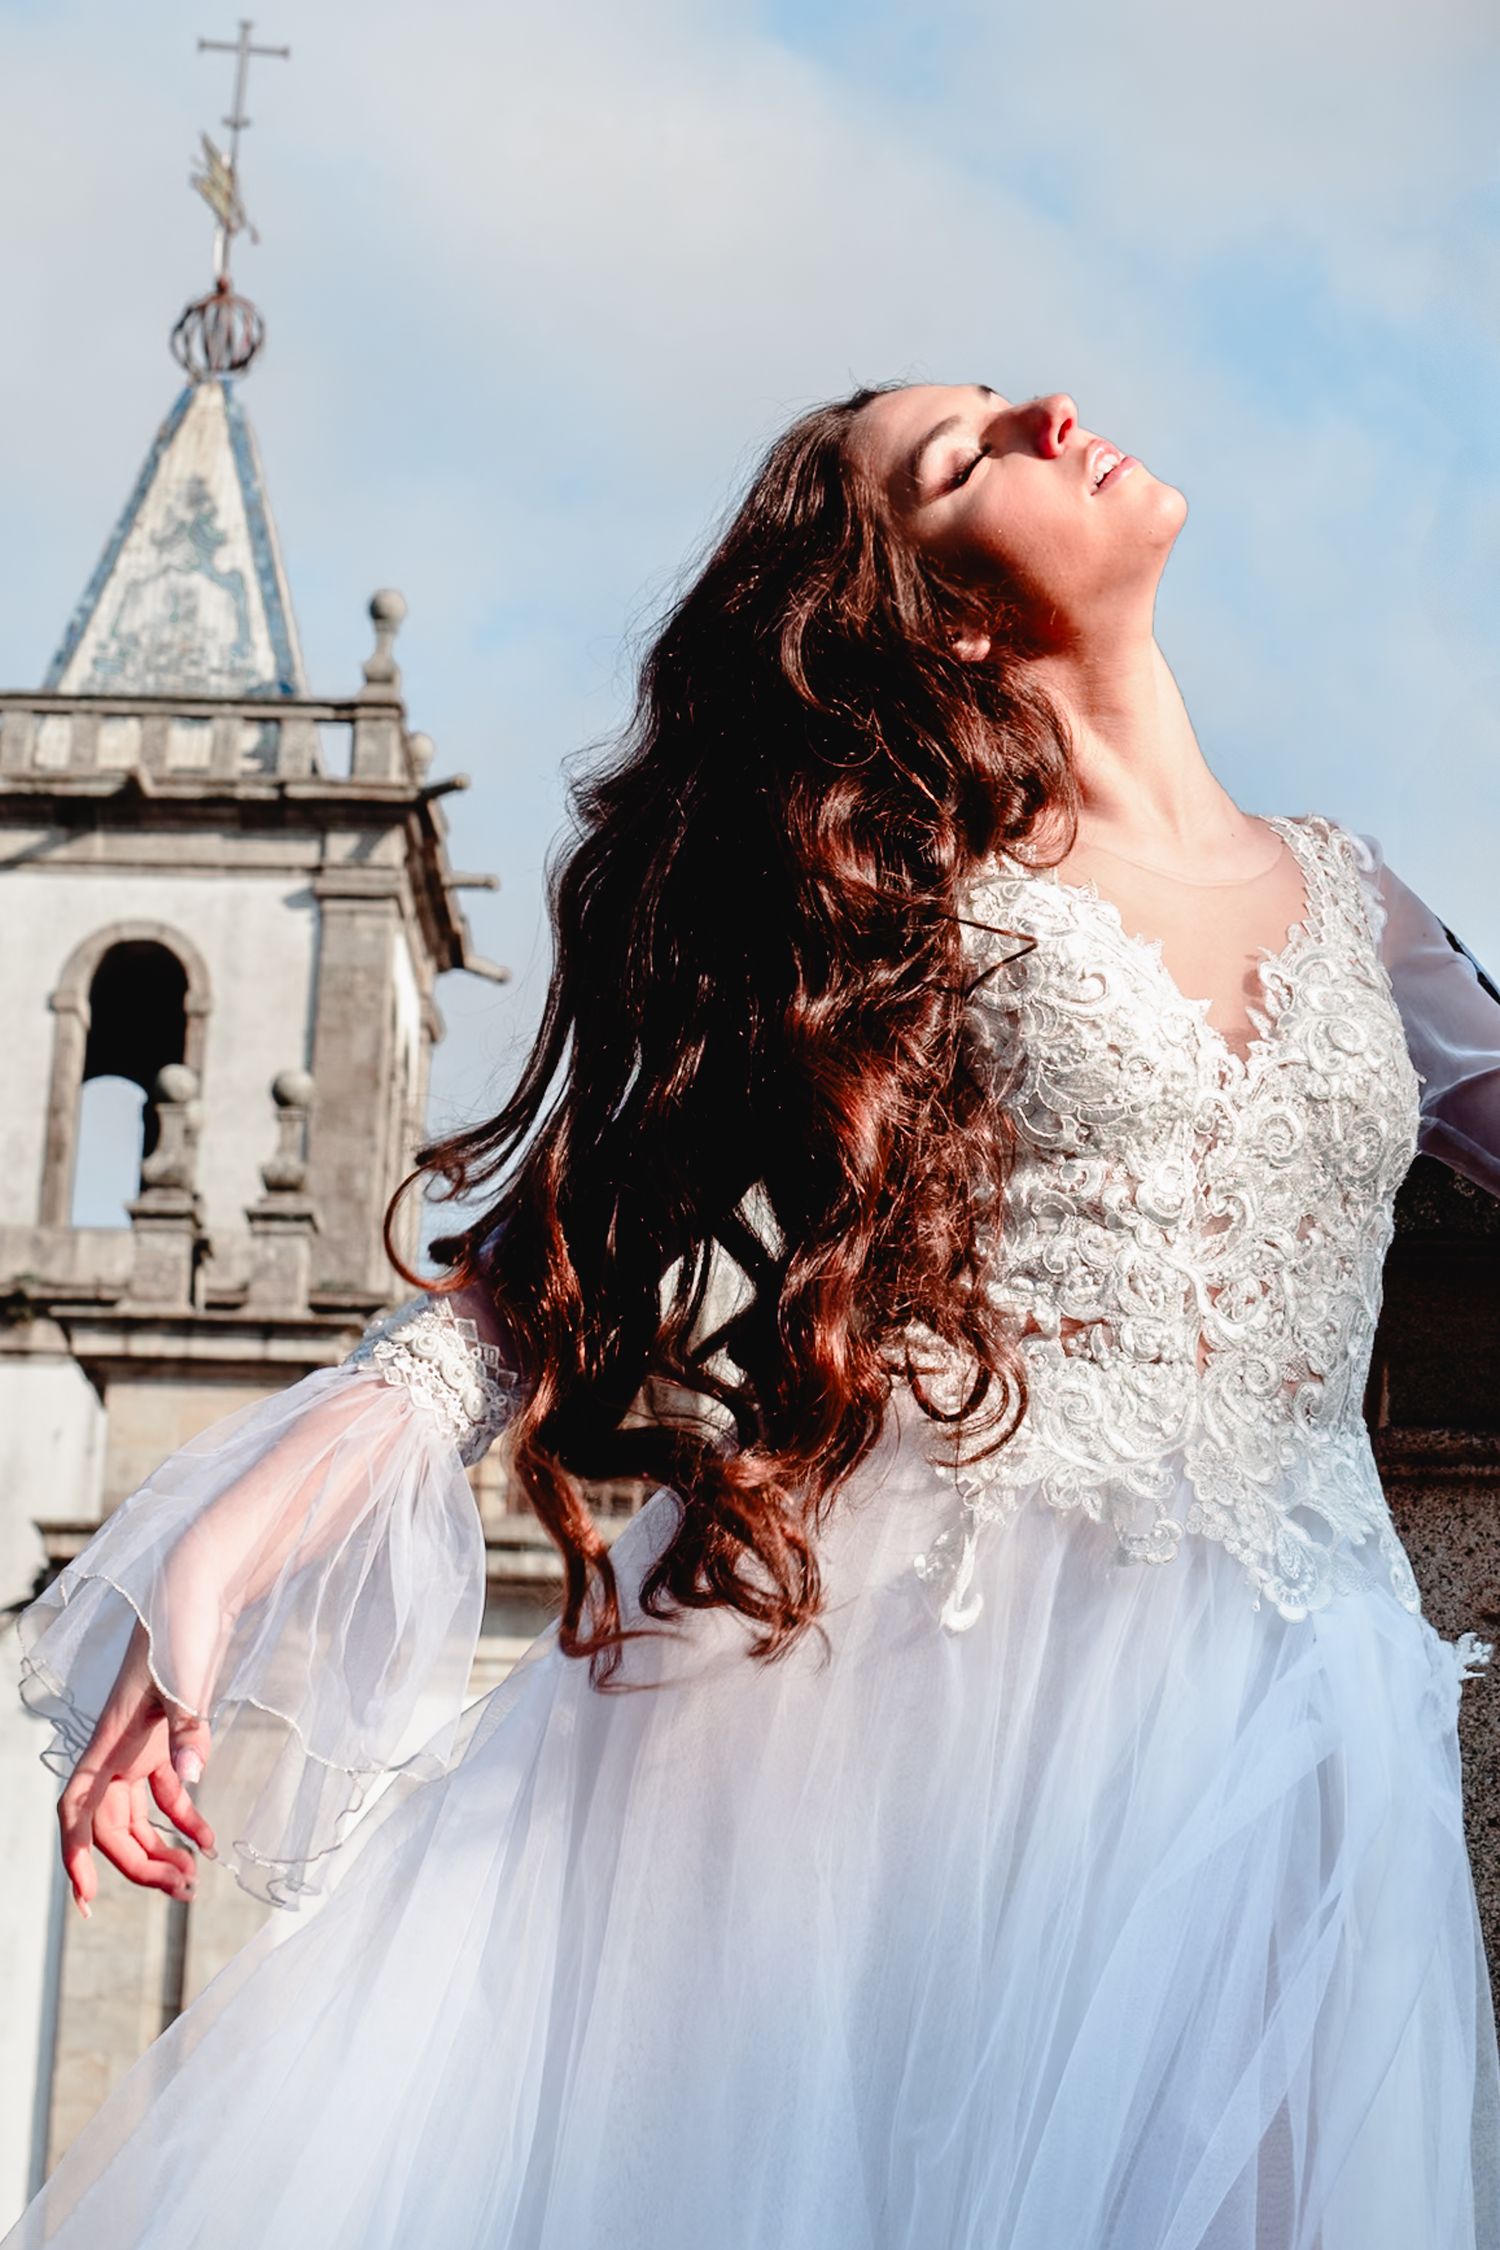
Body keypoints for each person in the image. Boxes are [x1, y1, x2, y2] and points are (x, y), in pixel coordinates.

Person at [7, 381, 1500, 2250]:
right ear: (946, 620)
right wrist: (229, 1542)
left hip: (1300, 1717)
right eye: (969, 457)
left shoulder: (1361, 907)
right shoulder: (912, 906)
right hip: (953, 1711)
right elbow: (555, 1268)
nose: (1050, 406)